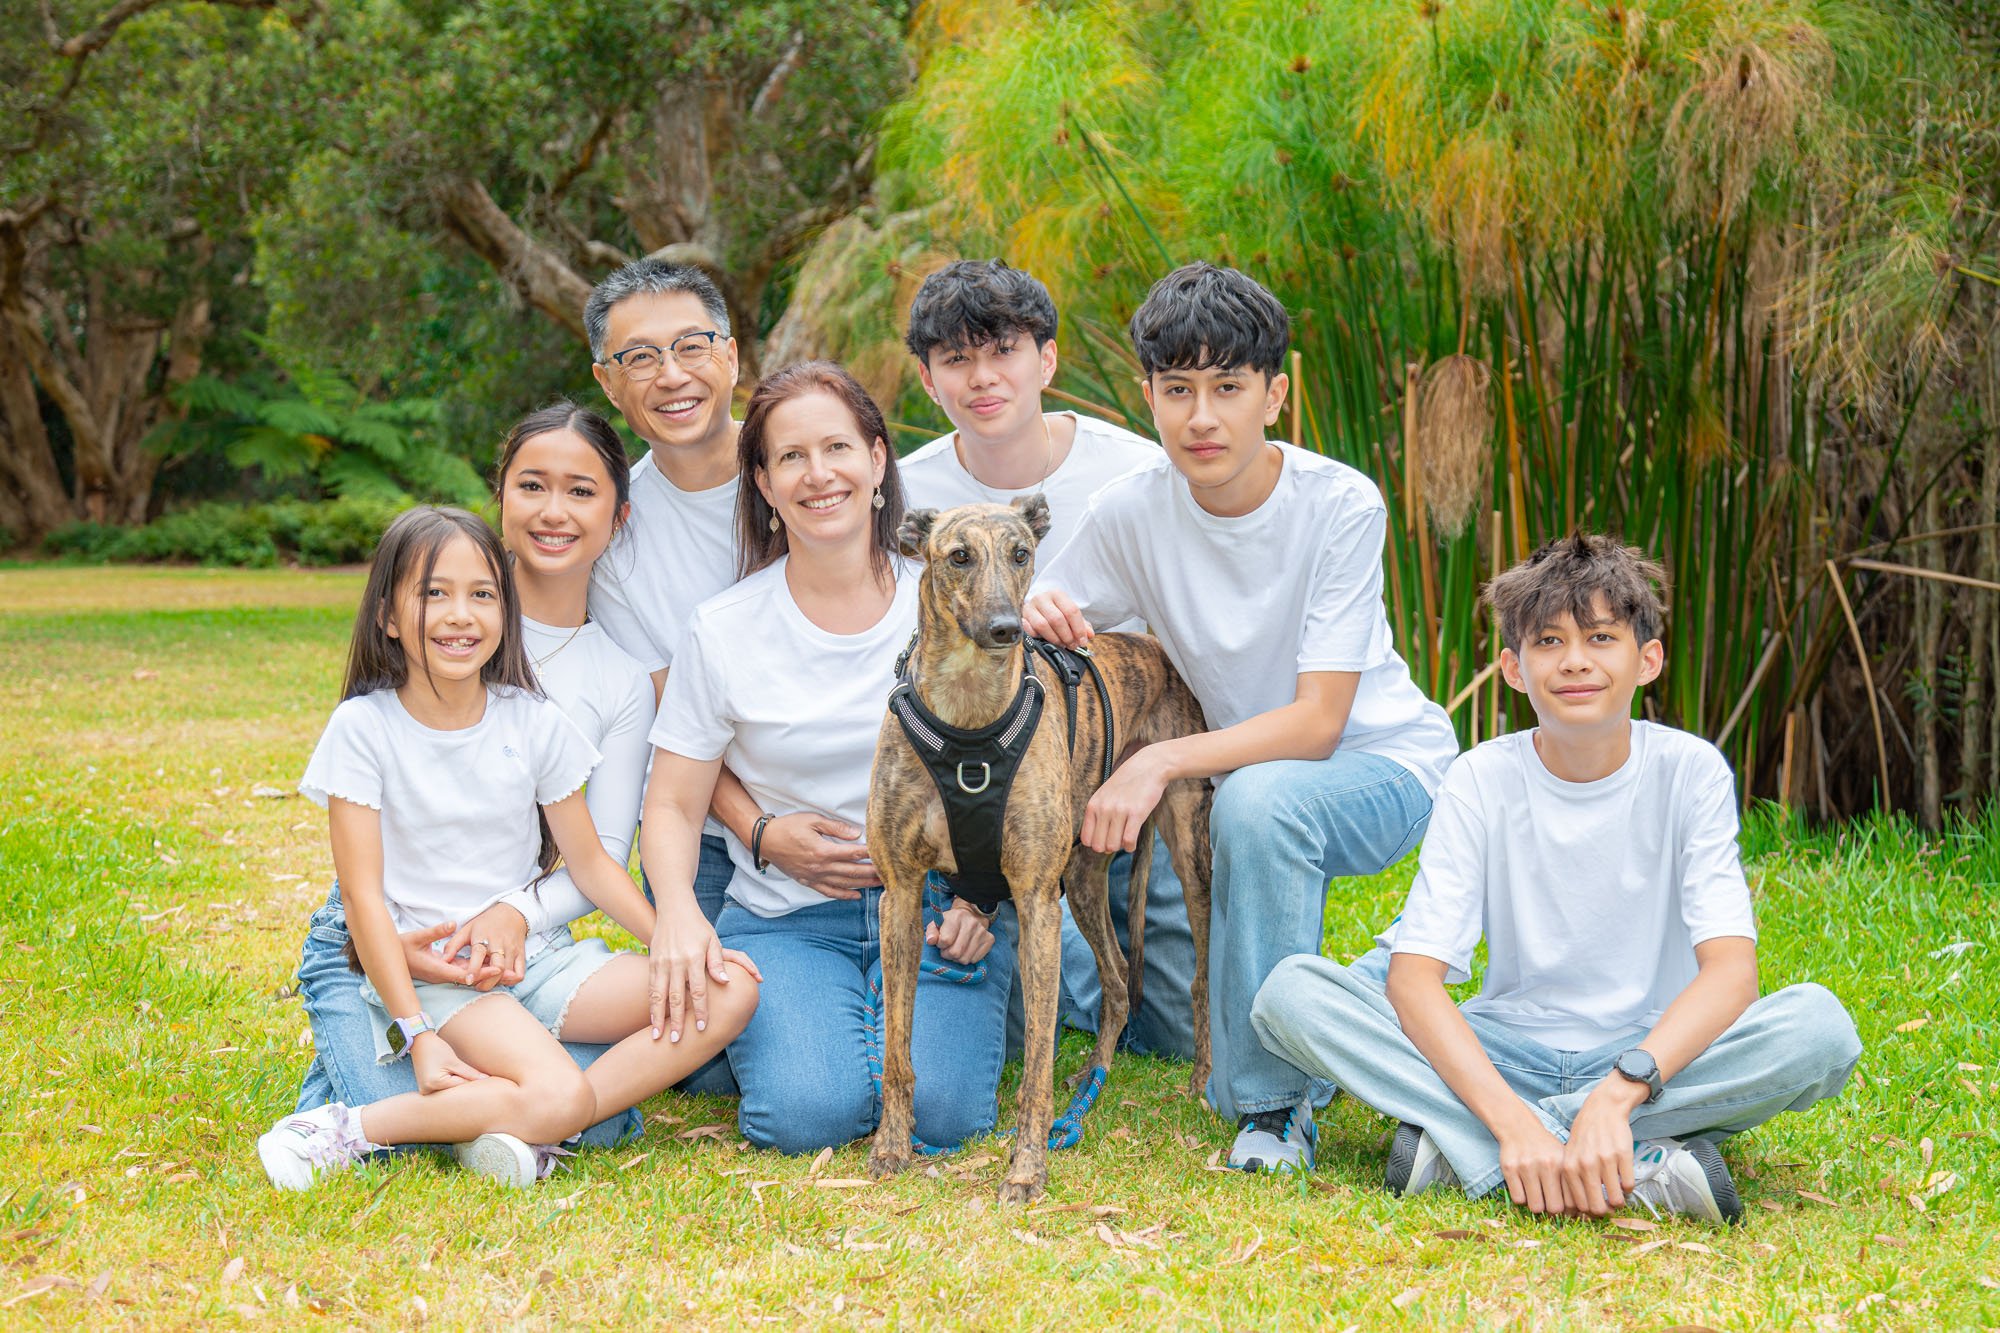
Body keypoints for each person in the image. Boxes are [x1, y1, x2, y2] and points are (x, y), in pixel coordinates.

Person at [1251, 535, 1860, 1224]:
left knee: (1820, 1027)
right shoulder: (1481, 776)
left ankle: (1473, 1154)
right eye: (1548, 640)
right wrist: (1513, 1118)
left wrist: (1617, 1091)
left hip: (1646, 1060)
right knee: (1291, 992)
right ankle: (1626, 1165)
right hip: (1502, 1051)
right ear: (1513, 667)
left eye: (1601, 636)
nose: (1574, 660)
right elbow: (1414, 978)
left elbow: (1731, 975)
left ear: (1647, 659)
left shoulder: (1689, 772)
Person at [1023, 262, 1459, 1172]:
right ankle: (1353, 1008)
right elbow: (1049, 604)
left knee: (1256, 802)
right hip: (1249, 781)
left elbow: (1318, 724)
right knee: (1250, 809)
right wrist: (1037, 613)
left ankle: (1271, 1111)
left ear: (1277, 394)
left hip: (1385, 769)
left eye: (1228, 387)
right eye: (1177, 390)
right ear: (1147, 395)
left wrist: (1157, 762)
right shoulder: (1130, 511)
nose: (1202, 417)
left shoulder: (1340, 503)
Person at [257, 508, 758, 1190]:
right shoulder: (363, 729)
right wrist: (418, 1032)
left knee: (728, 989)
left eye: (482, 594)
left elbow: (590, 865)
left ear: (504, 611)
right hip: (446, 975)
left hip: (540, 960)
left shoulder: (532, 719)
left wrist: (670, 938)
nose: (459, 614)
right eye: (433, 592)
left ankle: (532, 1121)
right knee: (556, 1090)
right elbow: (364, 898)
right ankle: (344, 1129)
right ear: (388, 616)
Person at [640, 361, 1014, 1154]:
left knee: (942, 1116)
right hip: (789, 918)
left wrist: (982, 899)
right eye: (790, 458)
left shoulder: (958, 600)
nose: (819, 475)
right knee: (807, 1115)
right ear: (764, 484)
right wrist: (677, 910)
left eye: (838, 447)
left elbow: (1020, 771)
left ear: (878, 461)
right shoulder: (724, 628)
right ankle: (812, 1026)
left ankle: (906, 1012)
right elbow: (673, 799)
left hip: (942, 908)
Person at [897, 258, 1196, 1060]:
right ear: (927, 378)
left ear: (1048, 360)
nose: (982, 377)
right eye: (956, 360)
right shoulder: (909, 496)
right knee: (1023, 1020)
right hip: (983, 797)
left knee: (1163, 1033)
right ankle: (1017, 924)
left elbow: (1179, 637)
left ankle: (1089, 931)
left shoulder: (1136, 471)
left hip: (1117, 780)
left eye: (1003, 351)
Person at [584, 259, 875, 938]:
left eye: (692, 346)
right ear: (608, 381)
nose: (673, 375)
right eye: (641, 357)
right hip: (710, 827)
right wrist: (760, 829)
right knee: (712, 1017)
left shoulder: (821, 475)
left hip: (864, 806)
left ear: (732, 354)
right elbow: (677, 724)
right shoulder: (614, 542)